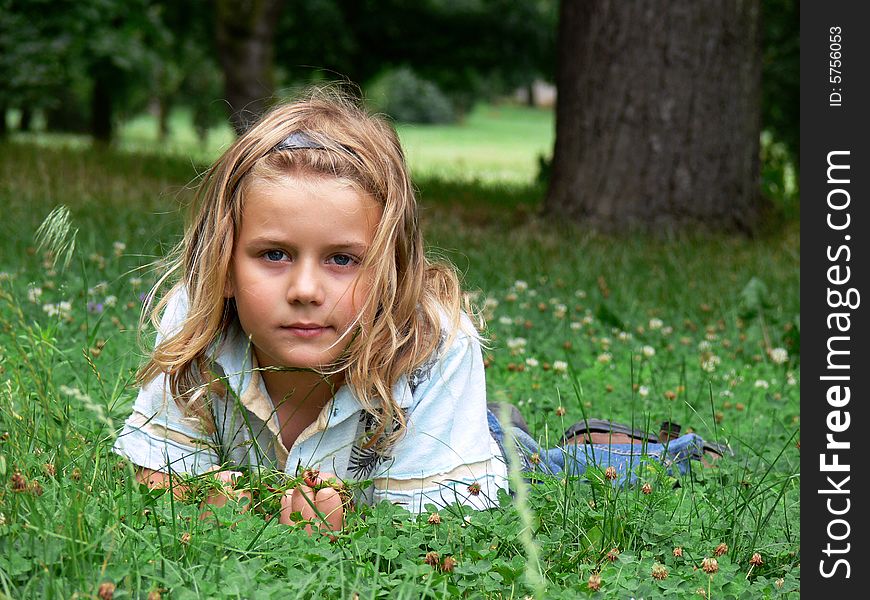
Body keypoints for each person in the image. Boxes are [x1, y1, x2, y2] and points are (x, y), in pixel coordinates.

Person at [113, 88, 723, 535]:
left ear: (392, 270)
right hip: (415, 446)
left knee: (546, 471)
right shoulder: (197, 326)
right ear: (225, 260)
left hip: (448, 451)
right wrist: (262, 506)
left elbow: (440, 525)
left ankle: (608, 444)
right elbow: (154, 480)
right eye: (273, 254)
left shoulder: (433, 344)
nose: (304, 288)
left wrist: (341, 513)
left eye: (343, 260)